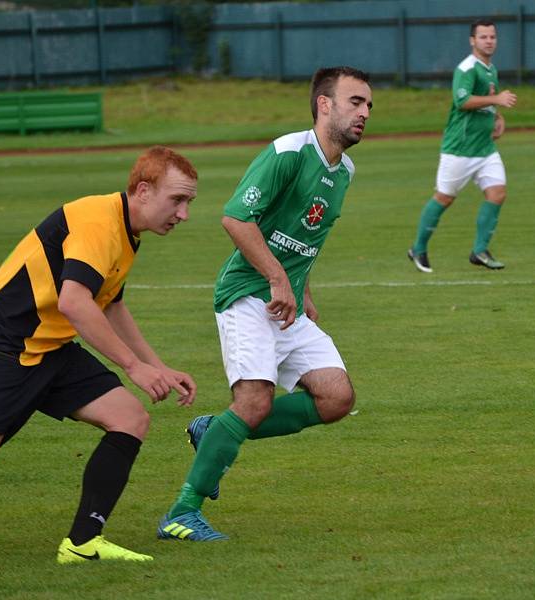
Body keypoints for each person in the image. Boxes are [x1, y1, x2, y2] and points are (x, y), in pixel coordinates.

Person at [0, 146, 199, 564]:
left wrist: (156, 366)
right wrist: (132, 367)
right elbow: (74, 301)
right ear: (143, 190)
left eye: (188, 203)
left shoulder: (128, 232)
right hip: (8, 343)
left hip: (50, 344)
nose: (184, 214)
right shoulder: (97, 223)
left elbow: (110, 304)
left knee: (129, 417)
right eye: (177, 200)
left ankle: (82, 542)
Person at [157, 66, 372, 542]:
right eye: (355, 101)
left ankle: (214, 429)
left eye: (368, 105)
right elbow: (236, 218)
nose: (364, 113)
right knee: (254, 401)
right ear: (324, 105)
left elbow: (306, 236)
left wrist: (304, 288)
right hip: (246, 296)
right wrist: (277, 278)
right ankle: (181, 512)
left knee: (337, 397)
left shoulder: (345, 171)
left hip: (286, 303)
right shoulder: (288, 153)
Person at [407, 18, 517, 273]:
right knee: (444, 198)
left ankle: (479, 250)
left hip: (485, 148)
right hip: (460, 148)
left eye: (492, 37)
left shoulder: (490, 69)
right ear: (472, 40)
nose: (489, 41)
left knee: (497, 193)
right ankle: (418, 248)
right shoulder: (467, 68)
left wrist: (498, 116)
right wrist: (497, 98)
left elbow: (490, 100)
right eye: (483, 37)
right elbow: (462, 100)